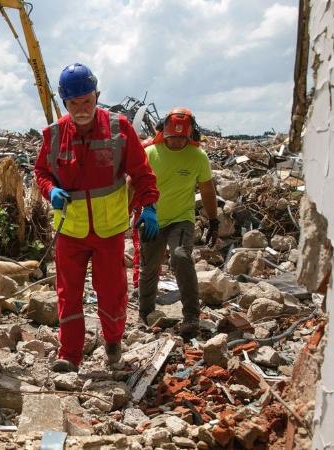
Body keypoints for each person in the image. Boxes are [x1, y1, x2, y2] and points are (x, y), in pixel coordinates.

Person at [34, 63, 159, 372]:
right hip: (70, 232)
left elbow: (141, 172)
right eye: (74, 104)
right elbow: (41, 173)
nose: (81, 109)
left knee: (112, 291)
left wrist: (150, 206)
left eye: (87, 101)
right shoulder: (53, 136)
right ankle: (70, 355)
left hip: (109, 231)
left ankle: (113, 343)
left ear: (97, 96)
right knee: (68, 294)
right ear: (65, 103)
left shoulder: (119, 129)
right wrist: (50, 192)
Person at [138, 107, 219, 338]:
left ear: (190, 135)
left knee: (181, 256)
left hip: (181, 219)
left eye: (181, 138)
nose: (176, 143)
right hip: (152, 217)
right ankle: (146, 315)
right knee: (149, 268)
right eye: (172, 138)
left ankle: (192, 316)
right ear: (164, 132)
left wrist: (213, 221)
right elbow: (134, 185)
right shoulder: (151, 153)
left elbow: (207, 190)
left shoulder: (198, 157)